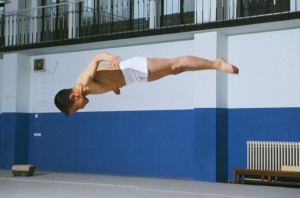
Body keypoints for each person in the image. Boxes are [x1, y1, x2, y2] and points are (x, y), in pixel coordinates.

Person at [54, 52, 238, 115]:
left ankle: (217, 63)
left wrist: (112, 59)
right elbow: (105, 79)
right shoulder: (87, 93)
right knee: (176, 70)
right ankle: (215, 64)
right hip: (133, 78)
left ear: (73, 96)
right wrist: (114, 88)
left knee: (175, 65)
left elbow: (96, 58)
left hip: (130, 69)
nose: (81, 108)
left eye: (77, 108)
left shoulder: (83, 81)